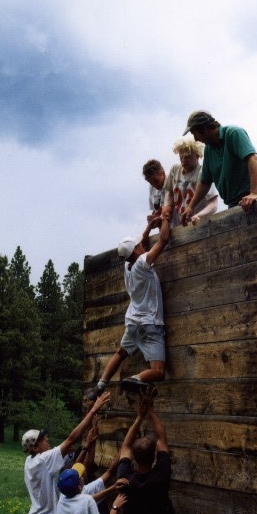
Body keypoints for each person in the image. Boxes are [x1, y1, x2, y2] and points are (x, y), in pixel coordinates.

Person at [87, 214, 171, 400]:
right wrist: (165, 216)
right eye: (139, 246)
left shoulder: (127, 266)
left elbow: (139, 240)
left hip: (133, 323)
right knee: (158, 371)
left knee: (120, 352)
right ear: (136, 251)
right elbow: (164, 239)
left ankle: (99, 387)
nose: (142, 244)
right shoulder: (142, 263)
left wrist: (149, 227)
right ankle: (135, 378)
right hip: (149, 324)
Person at [180, 110, 257, 224]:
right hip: (233, 204)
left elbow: (253, 159)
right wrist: (191, 207)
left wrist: (254, 193)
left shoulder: (233, 133)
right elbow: (204, 182)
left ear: (204, 129)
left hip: (252, 200)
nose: (195, 139)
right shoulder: (209, 150)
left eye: (195, 134)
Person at [164, 137, 219, 227]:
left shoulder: (203, 172)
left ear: (197, 155)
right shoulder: (175, 169)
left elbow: (214, 204)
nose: (184, 160)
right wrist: (167, 207)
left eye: (188, 156)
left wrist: (199, 215)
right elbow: (169, 191)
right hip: (178, 226)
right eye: (181, 156)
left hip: (198, 225)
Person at [143, 159, 166, 231]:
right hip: (163, 231)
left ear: (163, 173)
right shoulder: (152, 188)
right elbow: (155, 210)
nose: (155, 185)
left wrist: (157, 216)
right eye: (151, 183)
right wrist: (152, 220)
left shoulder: (171, 183)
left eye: (156, 181)